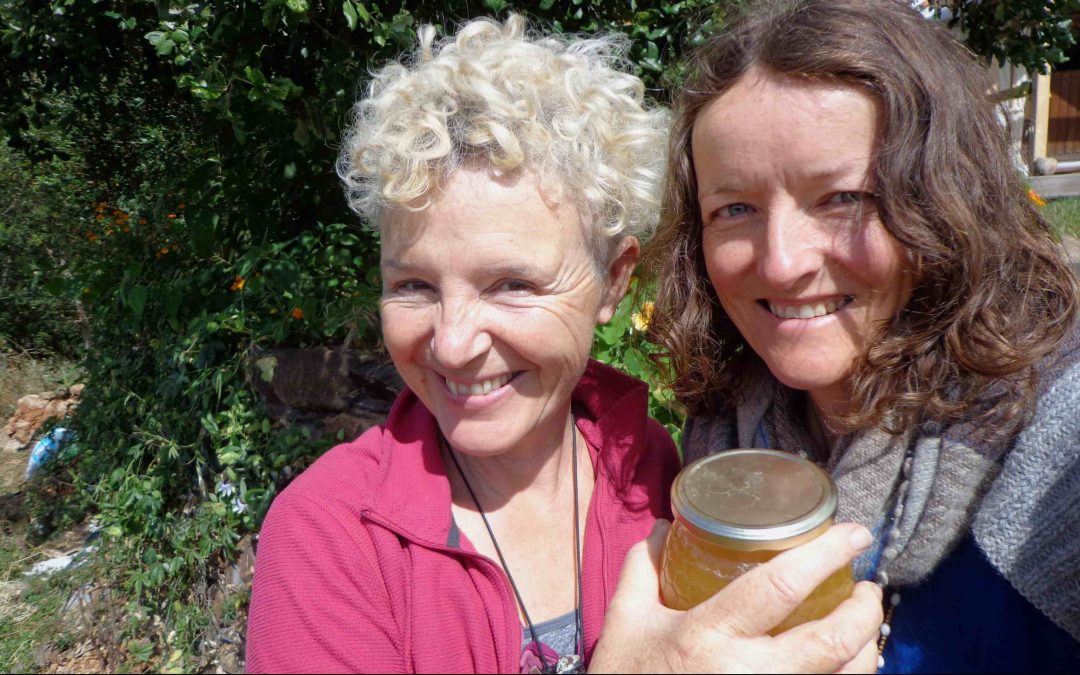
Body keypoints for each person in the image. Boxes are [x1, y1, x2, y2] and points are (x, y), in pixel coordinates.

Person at [245, 14, 884, 674]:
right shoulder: (332, 537)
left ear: (613, 280)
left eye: (513, 284)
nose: (455, 342)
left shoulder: (652, 470)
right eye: (413, 285)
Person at [646, 0, 1080, 672]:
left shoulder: (1060, 449)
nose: (781, 261)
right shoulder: (723, 440)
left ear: (944, 199)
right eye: (734, 208)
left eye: (843, 197)